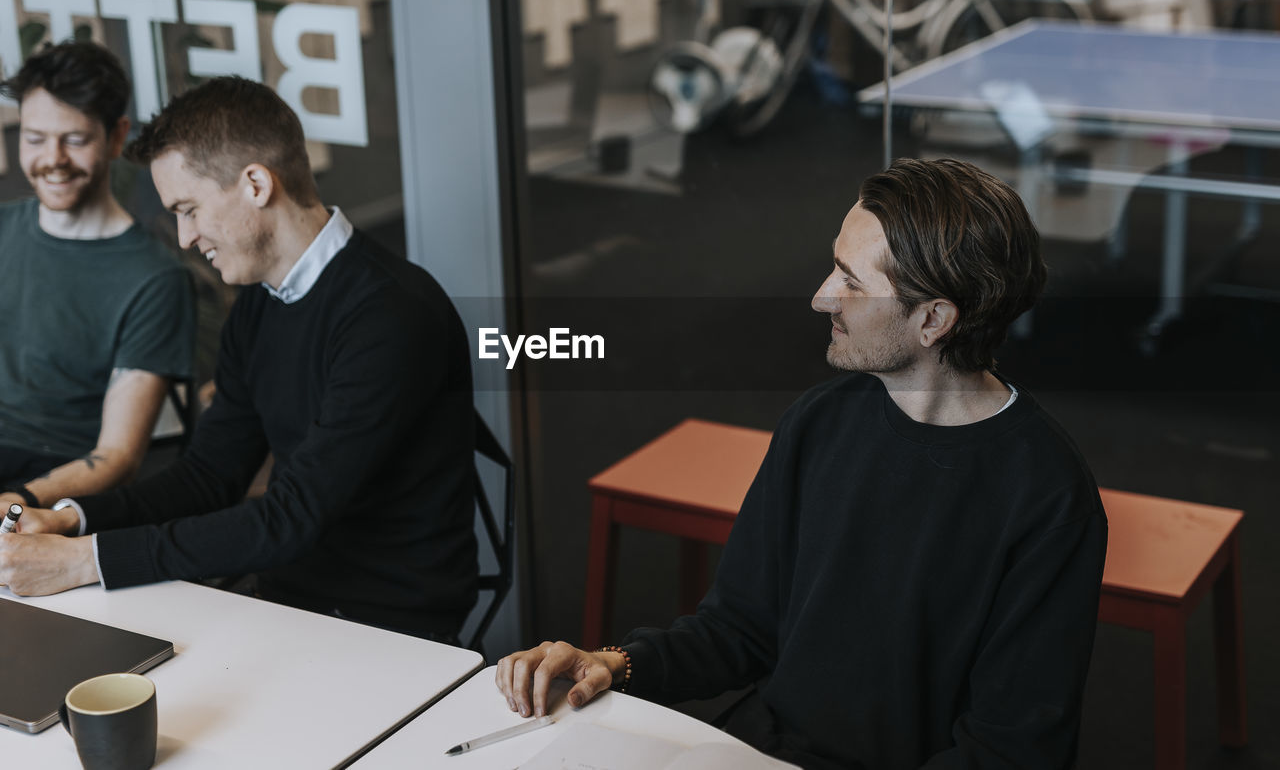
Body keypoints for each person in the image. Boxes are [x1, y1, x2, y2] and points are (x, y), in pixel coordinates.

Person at [497, 159, 1108, 769]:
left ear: (932, 321)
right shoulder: (820, 422)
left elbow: (1010, 749)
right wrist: (613, 663)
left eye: (851, 281)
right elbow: (739, 628)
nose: (821, 297)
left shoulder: (1047, 497)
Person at [0, 76, 479, 642]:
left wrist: (83, 561)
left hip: (392, 626)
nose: (183, 237)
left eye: (189, 209)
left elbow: (292, 518)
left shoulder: (391, 313)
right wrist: (70, 518)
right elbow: (209, 477)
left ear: (255, 184)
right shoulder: (259, 304)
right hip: (286, 600)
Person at [0, 41, 195, 510]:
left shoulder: (155, 280)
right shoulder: (3, 229)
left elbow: (117, 457)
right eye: (35, 138)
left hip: (53, 477)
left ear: (116, 138)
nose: (53, 159)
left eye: (74, 139)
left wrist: (15, 503)